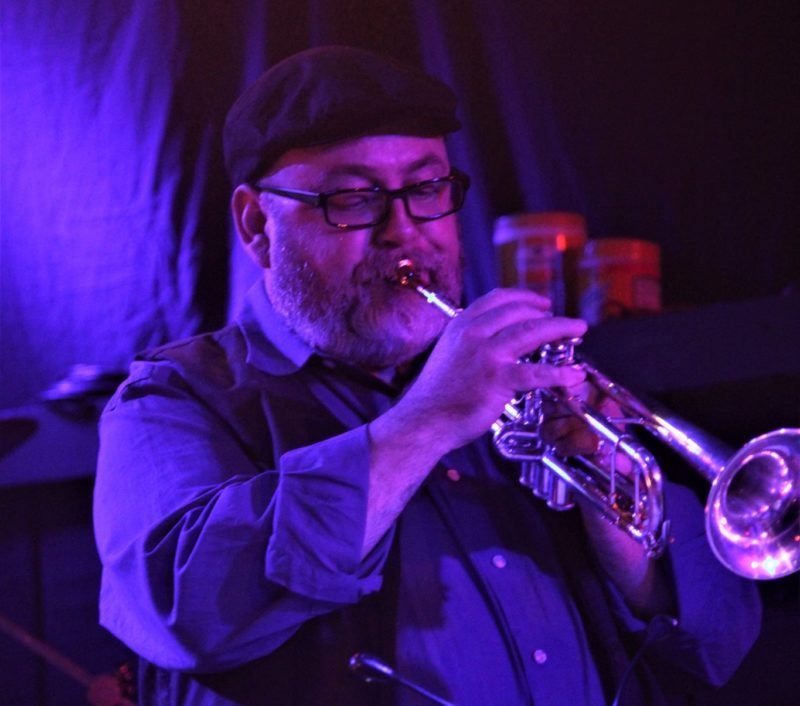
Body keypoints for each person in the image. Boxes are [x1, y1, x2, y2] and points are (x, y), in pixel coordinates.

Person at [93, 46, 761, 706]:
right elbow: (189, 612)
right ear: (256, 225)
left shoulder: (511, 379)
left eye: (425, 188)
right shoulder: (172, 401)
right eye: (352, 199)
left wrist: (608, 507)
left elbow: (719, 644)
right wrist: (431, 419)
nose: (404, 231)